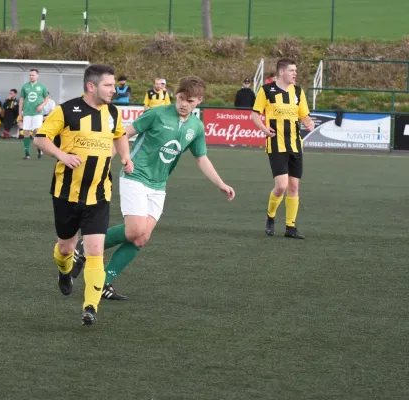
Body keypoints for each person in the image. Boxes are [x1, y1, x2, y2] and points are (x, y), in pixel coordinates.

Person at [71, 76, 236, 300]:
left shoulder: (196, 127)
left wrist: (220, 183)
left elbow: (201, 158)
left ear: (199, 101)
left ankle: (104, 282)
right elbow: (124, 135)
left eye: (190, 100)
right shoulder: (157, 113)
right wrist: (102, 162)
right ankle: (84, 245)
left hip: (158, 185)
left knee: (140, 238)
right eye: (180, 98)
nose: (184, 103)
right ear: (175, 95)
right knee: (134, 231)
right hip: (135, 175)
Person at [33, 64, 133, 326]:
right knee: (65, 247)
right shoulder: (66, 110)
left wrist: (125, 156)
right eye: (108, 85)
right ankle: (64, 271)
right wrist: (61, 155)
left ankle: (90, 306)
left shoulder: (112, 112)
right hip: (66, 194)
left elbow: (120, 135)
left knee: (95, 251)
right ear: (91, 86)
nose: (114, 90)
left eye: (113, 85)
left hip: (99, 194)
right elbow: (40, 138)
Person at [250, 58, 315, 239]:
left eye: (296, 70)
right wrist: (264, 129)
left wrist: (308, 123)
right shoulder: (266, 91)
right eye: (292, 70)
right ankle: (270, 216)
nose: (295, 73)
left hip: (295, 144)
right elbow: (254, 116)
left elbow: (303, 115)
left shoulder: (298, 92)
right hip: (276, 144)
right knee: (281, 186)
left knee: (294, 186)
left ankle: (290, 227)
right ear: (281, 72)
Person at [19, 69, 49, 159]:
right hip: (27, 112)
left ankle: (39, 149)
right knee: (26, 132)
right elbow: (21, 100)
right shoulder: (25, 86)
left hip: (37, 113)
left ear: (37, 76)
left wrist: (42, 105)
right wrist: (20, 113)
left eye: (33, 75)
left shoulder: (42, 86)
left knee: (37, 131)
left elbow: (46, 98)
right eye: (30, 75)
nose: (31, 76)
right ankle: (27, 153)